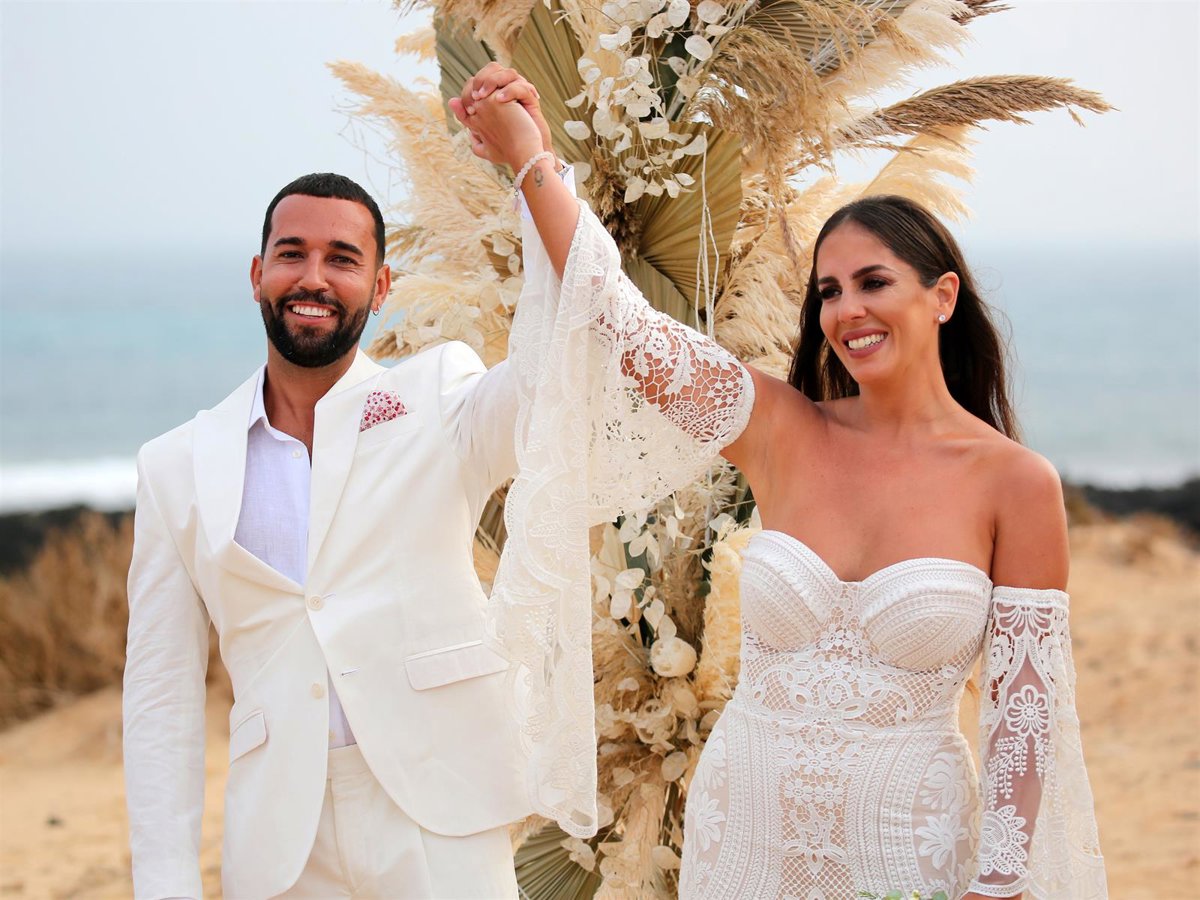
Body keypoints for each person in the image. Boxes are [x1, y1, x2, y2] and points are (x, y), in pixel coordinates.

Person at [455, 66, 1107, 899]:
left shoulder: (1016, 483)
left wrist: (1002, 879)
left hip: (905, 847)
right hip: (744, 838)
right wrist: (533, 161)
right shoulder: (778, 429)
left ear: (942, 296)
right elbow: (621, 322)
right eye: (829, 292)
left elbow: (1023, 713)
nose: (846, 311)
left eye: (874, 282)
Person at [122, 170, 575, 898]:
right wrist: (165, 885)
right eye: (292, 253)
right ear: (257, 274)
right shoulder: (176, 465)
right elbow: (159, 696)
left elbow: (555, 371)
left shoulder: (439, 397)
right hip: (278, 846)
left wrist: (535, 172)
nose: (313, 277)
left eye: (342, 258)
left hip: (440, 812)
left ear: (381, 284)